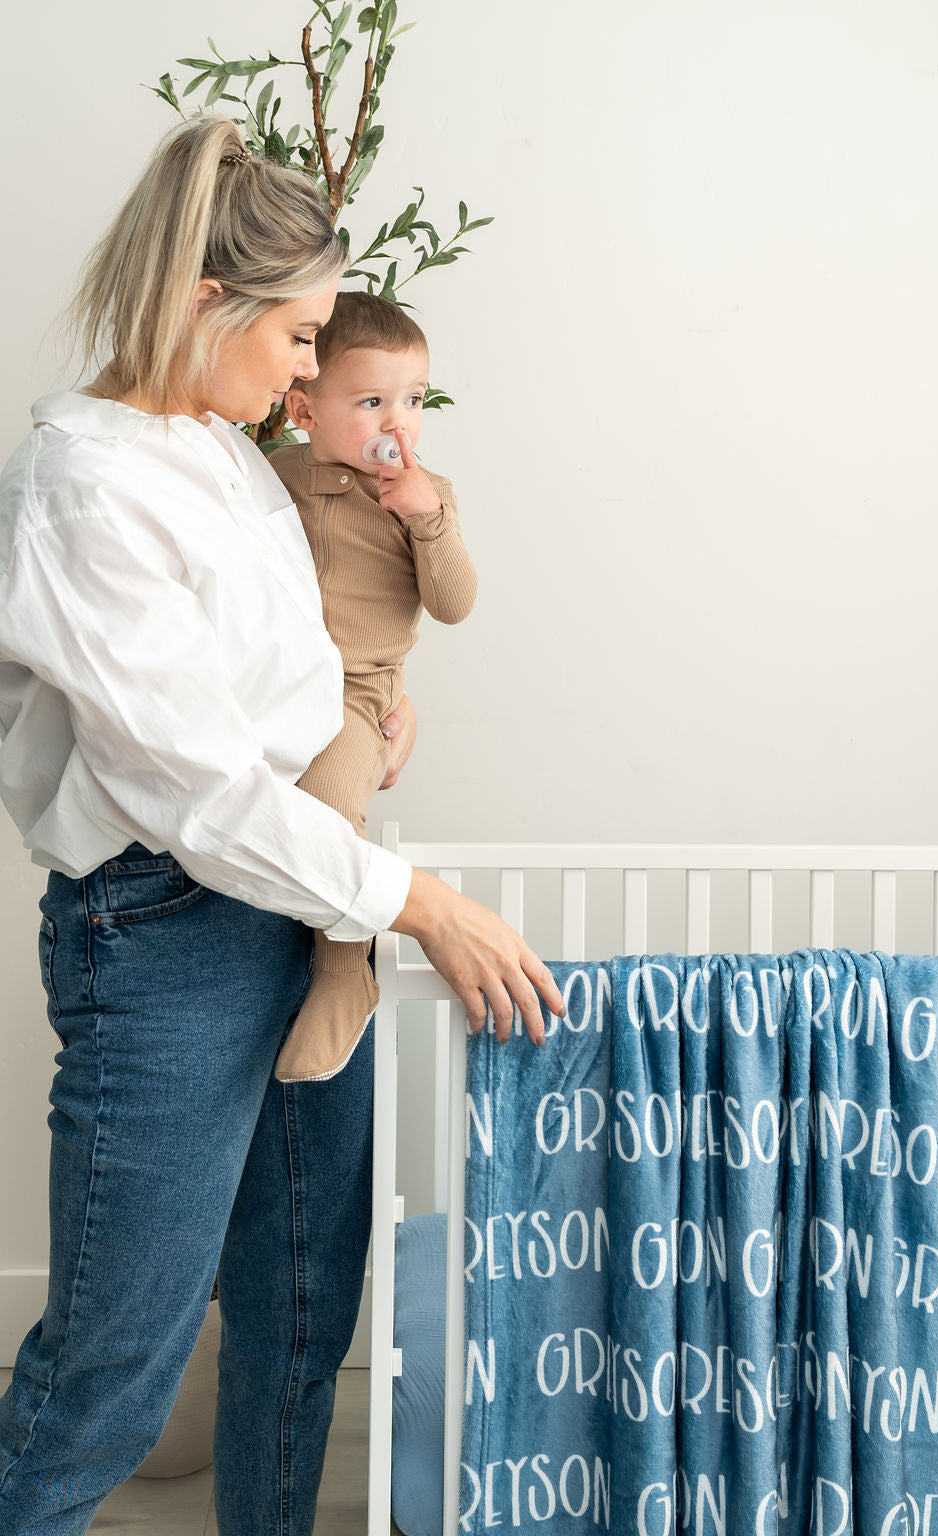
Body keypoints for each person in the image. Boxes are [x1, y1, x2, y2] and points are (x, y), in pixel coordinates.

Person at [0, 116, 562, 1534]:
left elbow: (284, 671)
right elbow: (194, 792)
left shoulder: (227, 457)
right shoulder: (88, 485)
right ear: (207, 305)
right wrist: (416, 900)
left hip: (301, 911)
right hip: (172, 930)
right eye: (303, 338)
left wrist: (360, 720)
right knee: (109, 1379)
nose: (312, 372)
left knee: (301, 1319)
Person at [271, 291, 477, 1083]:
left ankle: (342, 971)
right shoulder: (272, 476)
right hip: (278, 682)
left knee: (326, 804)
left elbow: (455, 604)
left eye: (414, 401)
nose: (399, 424)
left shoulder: (427, 498)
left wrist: (427, 519)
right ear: (304, 407)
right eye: (371, 402)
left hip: (358, 697)